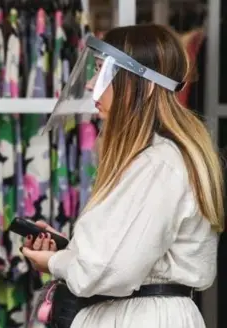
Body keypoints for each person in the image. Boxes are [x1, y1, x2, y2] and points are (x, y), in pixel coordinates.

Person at [22, 24, 223, 327]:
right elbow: (125, 252)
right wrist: (72, 250)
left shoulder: (158, 165)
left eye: (102, 71)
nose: (91, 84)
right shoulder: (154, 160)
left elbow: (105, 271)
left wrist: (54, 261)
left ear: (144, 84)